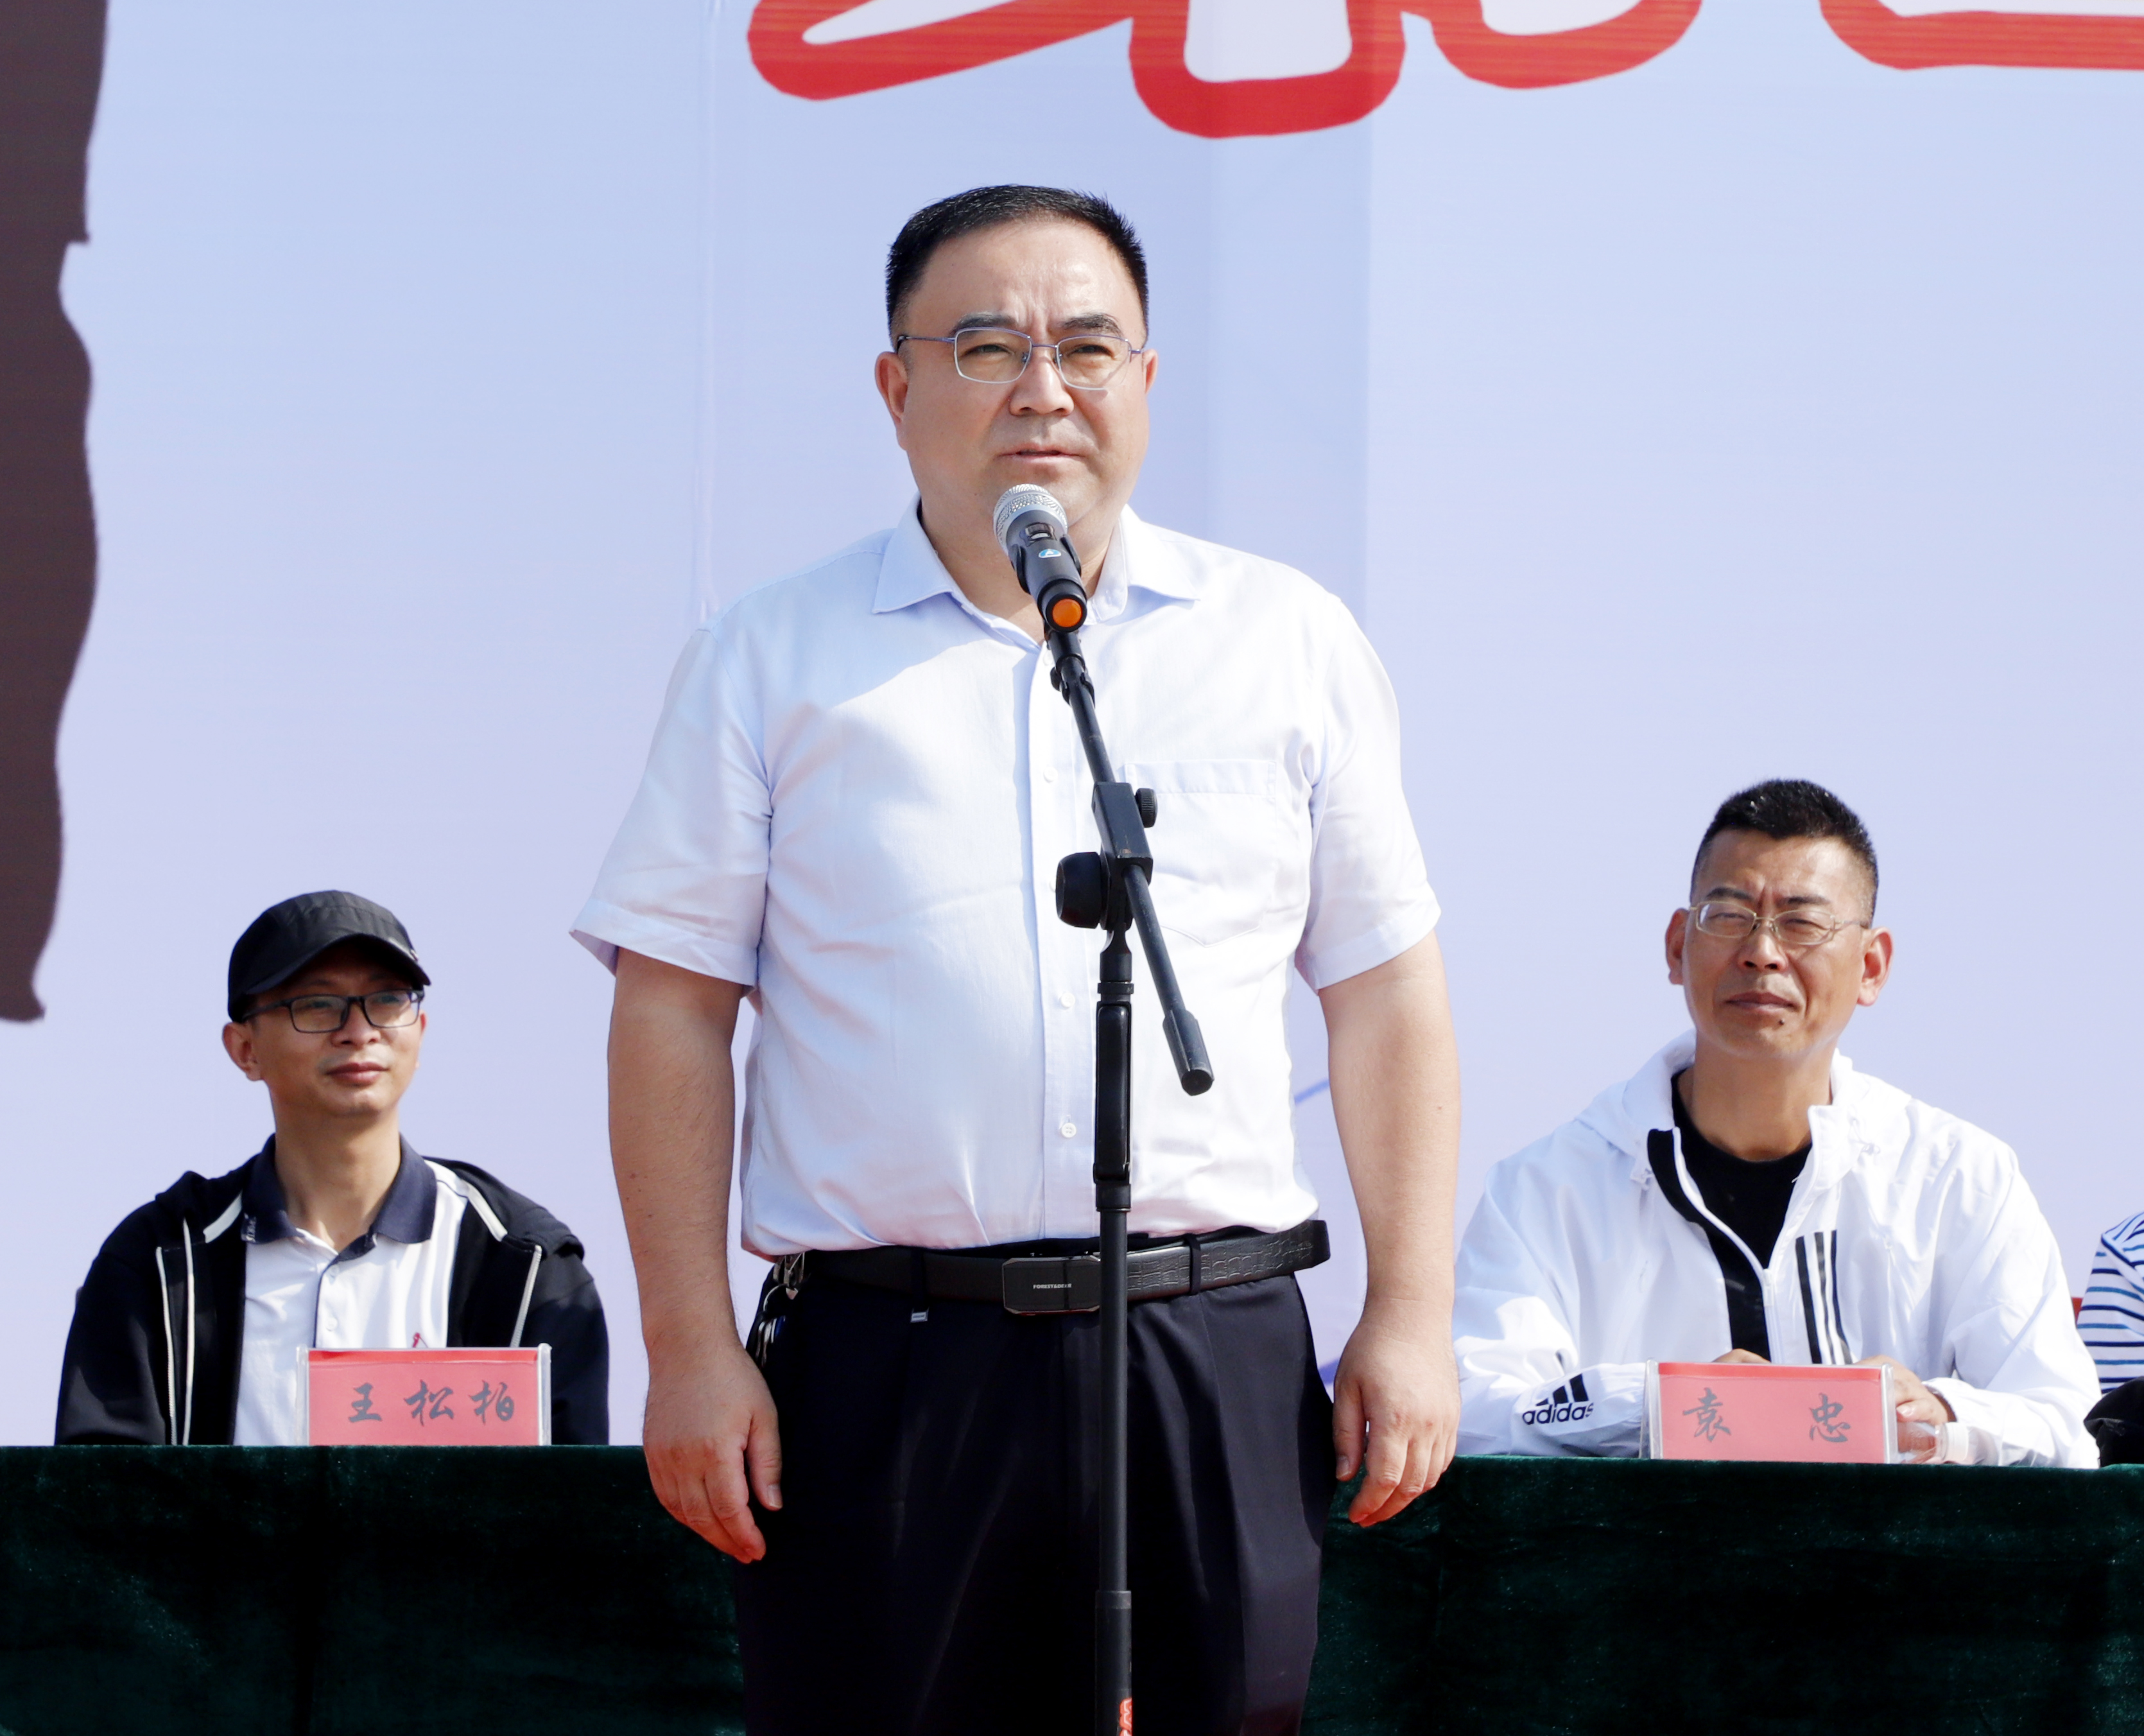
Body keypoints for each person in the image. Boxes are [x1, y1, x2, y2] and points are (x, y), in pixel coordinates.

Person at [576, 185, 1461, 1734]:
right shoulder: (770, 657)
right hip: (893, 1361)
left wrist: (1411, 1307)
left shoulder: (1282, 639)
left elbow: (1385, 989)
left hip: (1209, 1338)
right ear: (895, 386)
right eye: (985, 348)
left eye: (1086, 347)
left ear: (1147, 380)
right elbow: (671, 1009)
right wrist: (689, 1342)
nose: (1043, 389)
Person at [1452, 779, 2098, 1468]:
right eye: (1729, 916)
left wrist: (1942, 1415)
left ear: (1871, 966)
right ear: (1677, 946)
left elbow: (2066, 1427)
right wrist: (1666, 1403)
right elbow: (1478, 1414)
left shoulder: (1959, 1178)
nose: (1761, 952)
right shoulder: (1545, 1189)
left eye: (1801, 923)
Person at [56, 890, 609, 1446]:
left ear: (420, 1033)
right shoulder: (159, 1261)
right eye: (318, 1005)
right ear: (245, 1049)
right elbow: (102, 1491)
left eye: (388, 1000)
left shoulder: (520, 1261)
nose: (358, 1031)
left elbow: (569, 1496)